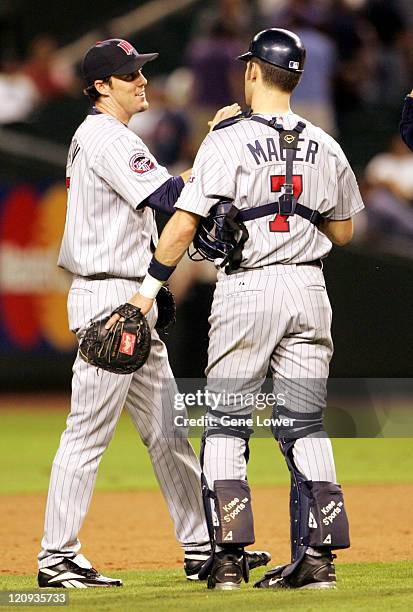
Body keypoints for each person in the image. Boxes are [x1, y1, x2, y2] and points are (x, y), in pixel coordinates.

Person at [111, 28, 365, 590]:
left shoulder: (226, 138)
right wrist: (294, 212)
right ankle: (318, 561)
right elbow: (344, 231)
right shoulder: (327, 143)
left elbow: (182, 224)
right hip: (307, 289)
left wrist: (146, 290)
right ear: (295, 77)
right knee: (305, 427)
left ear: (252, 72)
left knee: (226, 426)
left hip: (248, 291)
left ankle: (227, 560)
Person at [37, 38, 269, 589]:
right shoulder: (105, 136)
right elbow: (171, 199)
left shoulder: (107, 137)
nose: (141, 81)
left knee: (167, 430)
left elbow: (172, 194)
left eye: (141, 70)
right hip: (109, 302)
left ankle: (199, 548)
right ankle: (55, 557)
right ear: (100, 86)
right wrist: (216, 141)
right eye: (128, 75)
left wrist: (210, 146)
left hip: (126, 298)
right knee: (87, 432)